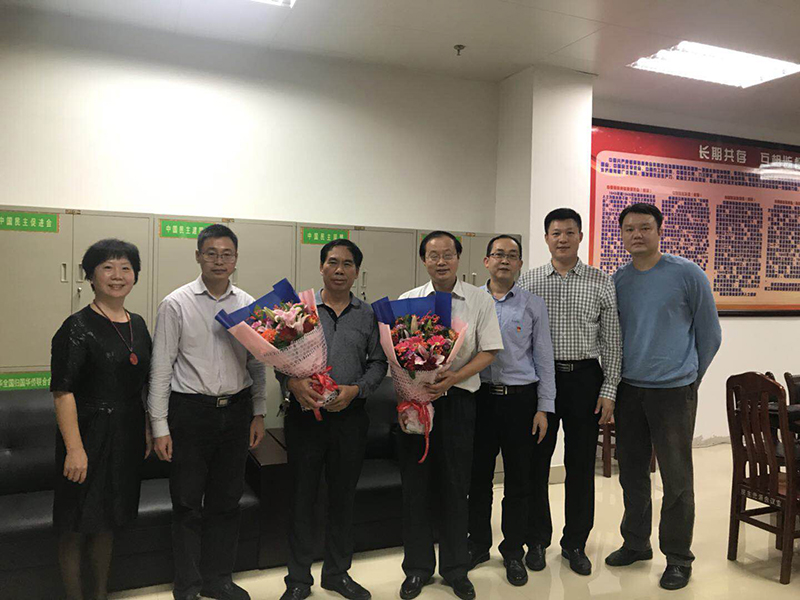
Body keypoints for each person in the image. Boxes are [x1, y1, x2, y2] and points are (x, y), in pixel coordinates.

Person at [605, 203, 721, 591]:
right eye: (629, 229)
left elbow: (710, 334)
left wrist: (690, 379)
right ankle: (636, 543)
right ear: (622, 235)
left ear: (659, 231)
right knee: (632, 472)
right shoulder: (619, 280)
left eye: (645, 227)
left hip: (673, 391)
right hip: (629, 390)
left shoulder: (687, 274)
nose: (637, 234)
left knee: (676, 478)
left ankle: (678, 557)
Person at [148, 224, 267, 600]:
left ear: (236, 259)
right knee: (186, 504)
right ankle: (187, 584)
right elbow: (161, 368)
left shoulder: (248, 304)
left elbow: (257, 363)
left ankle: (219, 579)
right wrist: (160, 426)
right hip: (190, 413)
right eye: (211, 253)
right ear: (198, 256)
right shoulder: (176, 303)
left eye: (226, 254)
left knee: (227, 502)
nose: (219, 260)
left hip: (236, 412)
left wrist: (259, 411)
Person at [278, 239, 387, 600]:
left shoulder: (368, 315)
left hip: (350, 419)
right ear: (321, 267)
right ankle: (298, 579)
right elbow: (278, 358)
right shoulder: (299, 311)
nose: (339, 270)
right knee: (301, 498)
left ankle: (337, 573)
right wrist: (292, 383)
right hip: (305, 419)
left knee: (343, 498)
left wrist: (357, 390)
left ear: (357, 272)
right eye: (332, 262)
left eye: (347, 264)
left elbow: (379, 363)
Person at [397, 231, 503, 600]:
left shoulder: (479, 300)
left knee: (457, 487)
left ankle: (456, 569)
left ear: (458, 258)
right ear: (423, 260)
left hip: (459, 401)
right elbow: (397, 354)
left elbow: (490, 350)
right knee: (416, 487)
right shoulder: (408, 301)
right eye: (433, 255)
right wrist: (410, 393)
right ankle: (417, 569)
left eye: (447, 254)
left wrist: (454, 377)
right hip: (417, 403)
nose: (440, 261)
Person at [517, 208, 622, 576]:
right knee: (536, 464)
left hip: (584, 380)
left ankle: (575, 543)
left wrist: (609, 389)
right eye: (556, 233)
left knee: (580, 465)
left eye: (569, 232)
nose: (562, 239)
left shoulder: (600, 281)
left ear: (580, 236)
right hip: (539, 382)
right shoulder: (528, 281)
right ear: (546, 238)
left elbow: (612, 341)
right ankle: (536, 540)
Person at [51, 239, 152, 600]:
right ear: (91, 276)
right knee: (76, 524)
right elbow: (63, 391)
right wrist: (75, 449)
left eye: (126, 267)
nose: (117, 275)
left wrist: (145, 429)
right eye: (107, 267)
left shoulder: (138, 324)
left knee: (107, 520)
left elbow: (141, 383)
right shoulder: (76, 326)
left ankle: (100, 594)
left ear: (135, 276)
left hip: (125, 434)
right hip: (87, 433)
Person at [467, 235, 556, 587]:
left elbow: (544, 358)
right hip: (480, 399)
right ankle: (477, 544)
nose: (505, 260)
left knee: (519, 481)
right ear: (486, 261)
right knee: (478, 478)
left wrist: (544, 408)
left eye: (512, 255)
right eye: (498, 254)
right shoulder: (471, 301)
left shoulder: (533, 304)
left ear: (520, 264)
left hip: (521, 402)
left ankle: (513, 550)